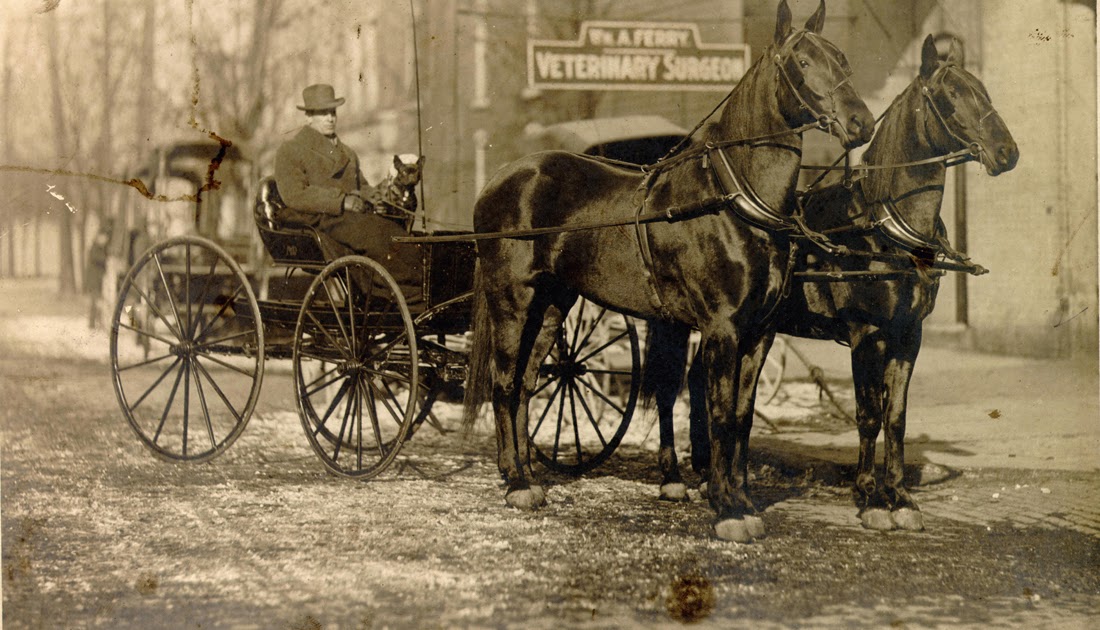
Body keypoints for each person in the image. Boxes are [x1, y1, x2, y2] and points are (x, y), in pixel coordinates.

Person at [274, 83, 423, 306]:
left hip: (351, 217)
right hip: (320, 219)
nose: (330, 118)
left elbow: (363, 187)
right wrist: (342, 201)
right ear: (308, 117)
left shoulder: (348, 153)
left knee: (395, 231)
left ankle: (412, 289)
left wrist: (379, 196)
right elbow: (294, 195)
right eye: (323, 113)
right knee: (377, 237)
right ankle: (401, 295)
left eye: (333, 112)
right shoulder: (291, 150)